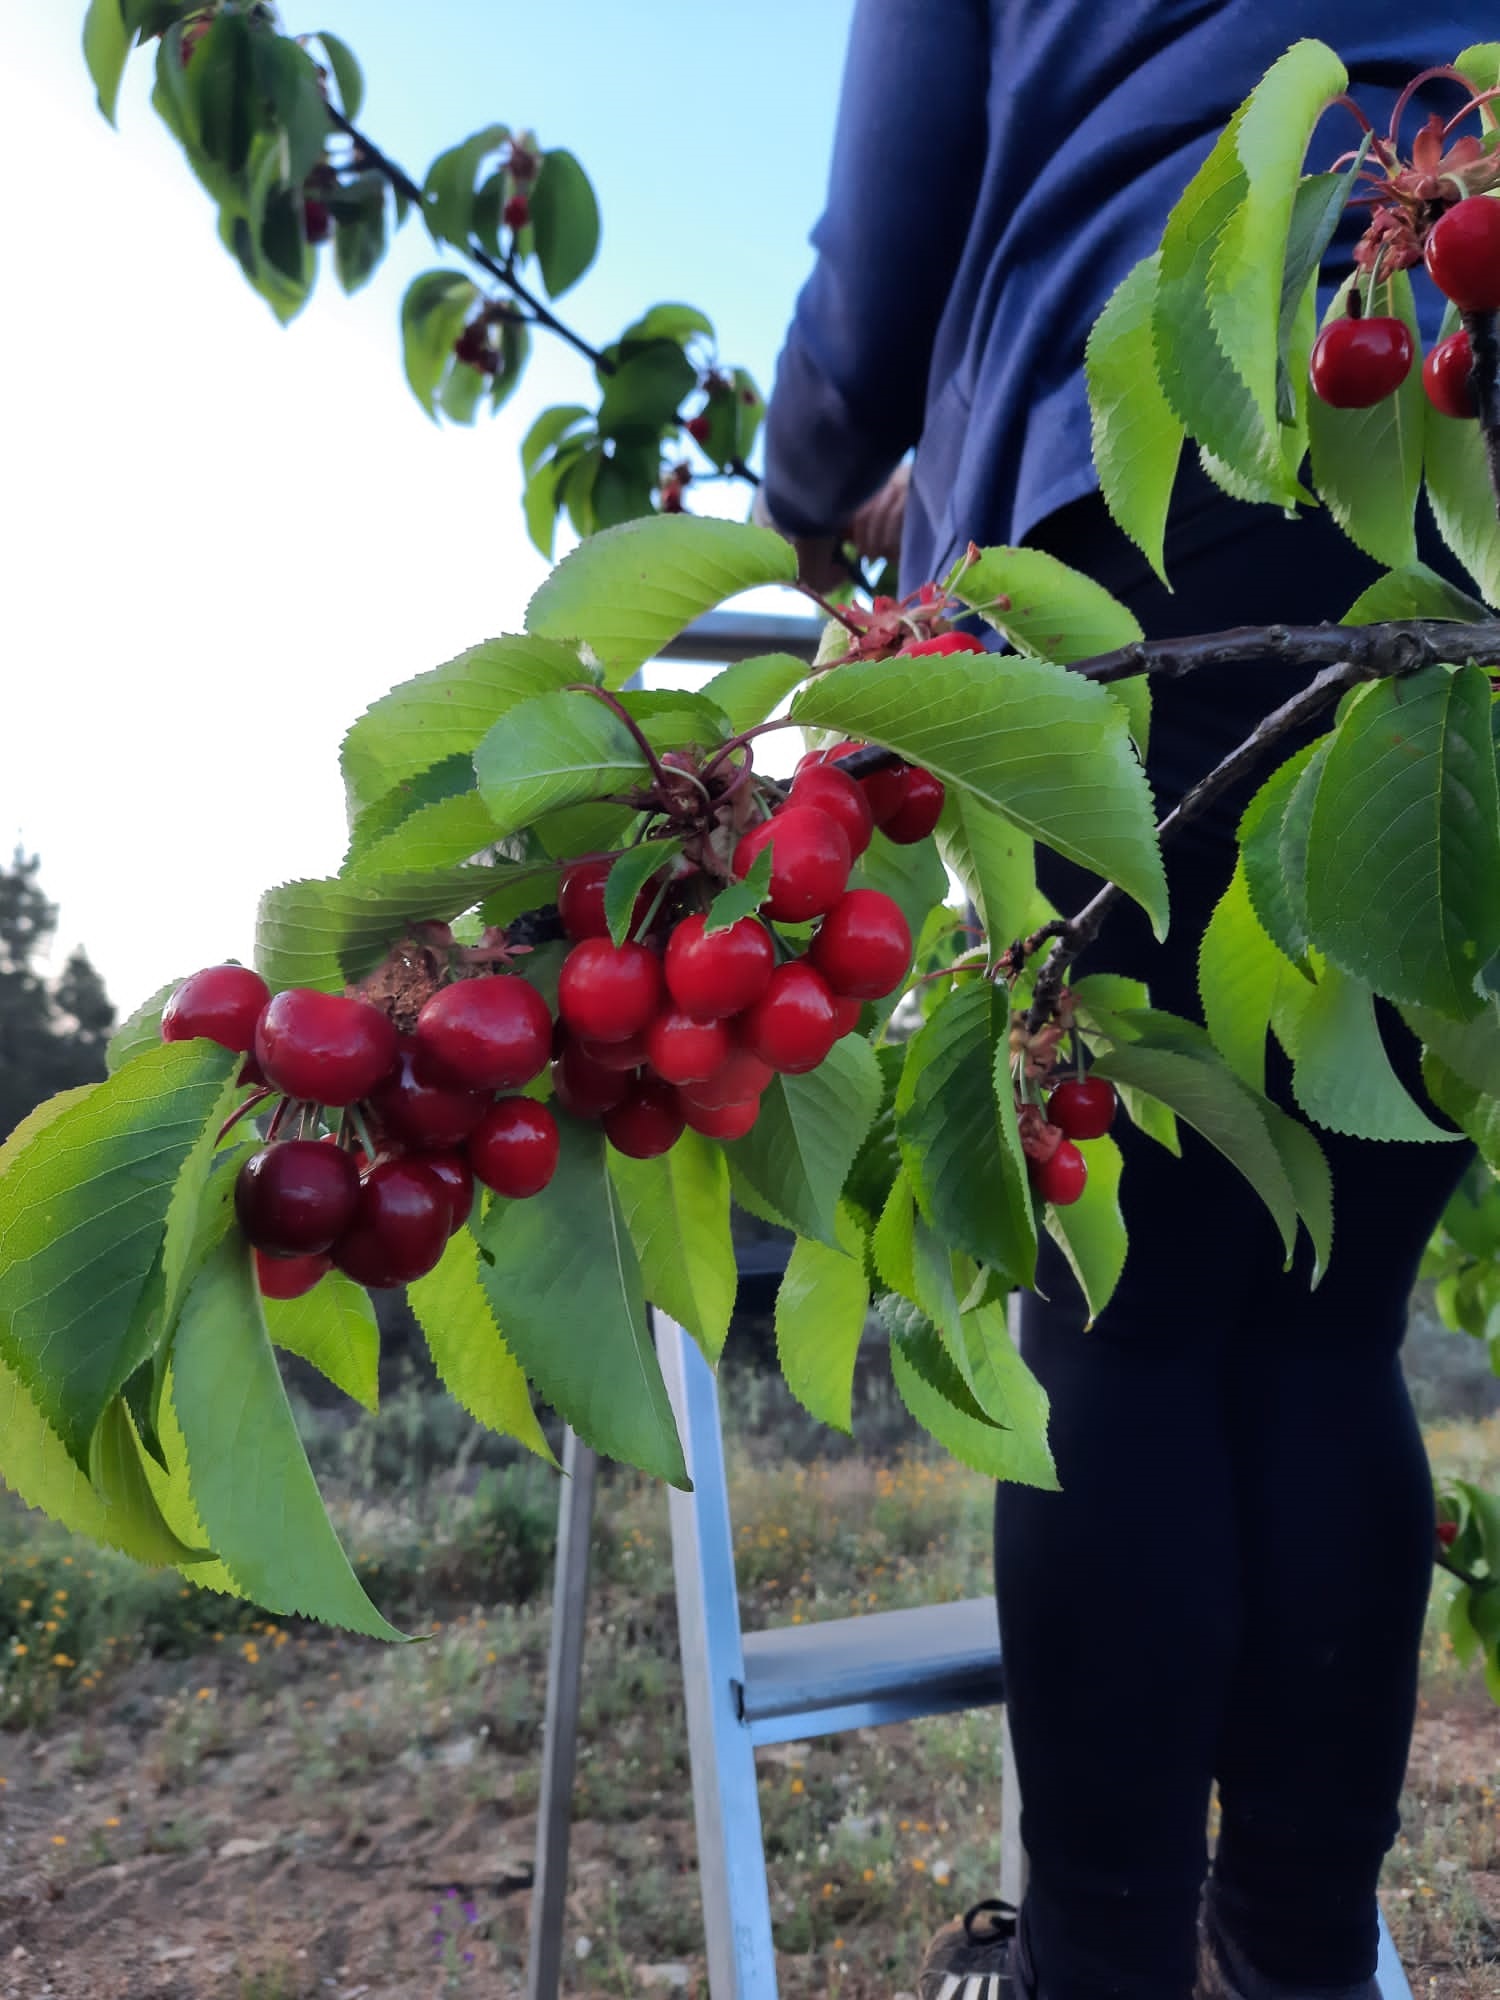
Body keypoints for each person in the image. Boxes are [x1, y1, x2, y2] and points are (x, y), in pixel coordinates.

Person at [756, 5, 1492, 1996]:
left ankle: (1097, 1962)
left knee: (1132, 1321)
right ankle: (1300, 1959)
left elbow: (880, 259)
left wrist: (809, 487)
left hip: (1148, 467)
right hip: (1461, 448)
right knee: (1333, 1326)